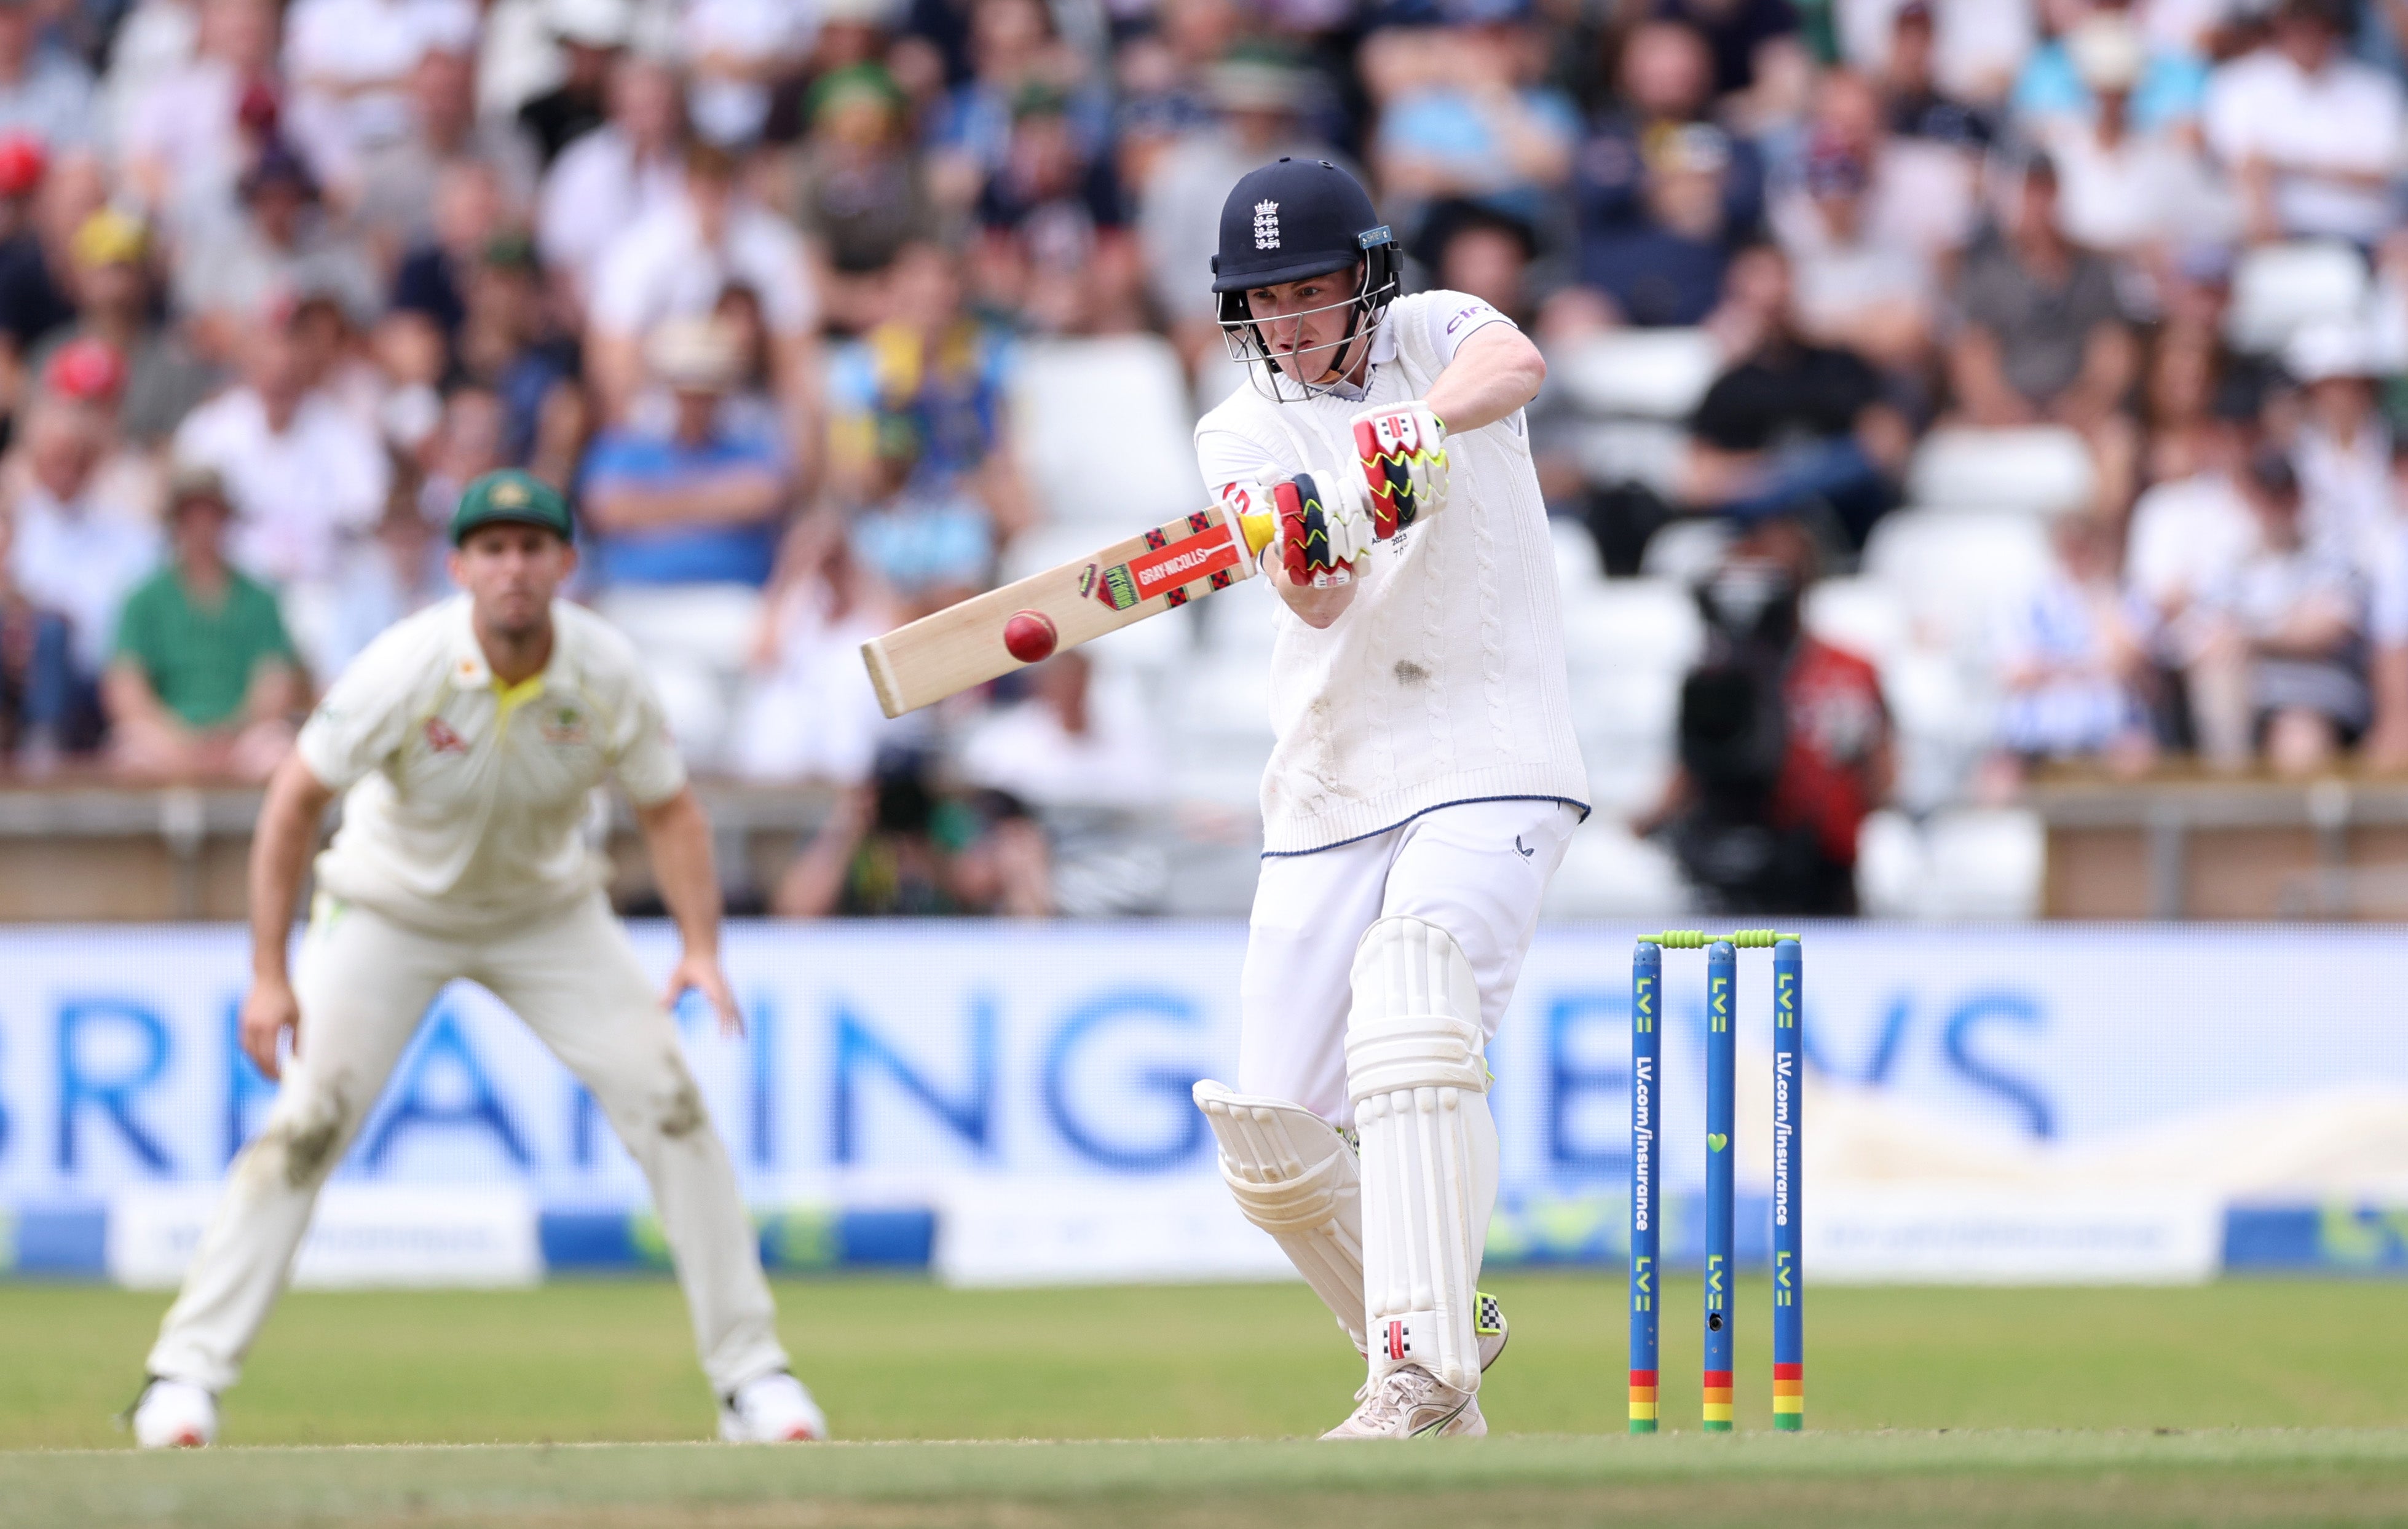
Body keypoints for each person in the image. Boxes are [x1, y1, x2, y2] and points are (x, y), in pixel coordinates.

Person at [127, 469, 825, 1450]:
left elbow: (670, 807)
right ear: (459, 566)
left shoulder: (606, 669)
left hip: (548, 911)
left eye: (533, 547)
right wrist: (269, 971)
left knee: (671, 1105)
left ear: (564, 564)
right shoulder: (405, 664)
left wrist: (701, 947)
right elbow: (293, 801)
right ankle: (182, 1378)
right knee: (308, 1124)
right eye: (491, 548)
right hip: (390, 907)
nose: (513, 568)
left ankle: (754, 1377)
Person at [1186, 159, 1588, 1437]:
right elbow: (1311, 601)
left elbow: (1514, 367)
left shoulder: (1433, 332)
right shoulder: (1237, 432)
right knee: (1268, 1140)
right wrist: (1318, 540)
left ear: (1364, 277)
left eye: (1311, 292)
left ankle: (1412, 1373)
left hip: (1488, 746)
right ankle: (1441, 1320)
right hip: (1327, 780)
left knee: (1411, 1003)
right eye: (1266, 303)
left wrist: (1400, 438)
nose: (1293, 325)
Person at [103, 467, 304, 782]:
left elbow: (275, 685)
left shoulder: (261, 599)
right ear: (176, 522)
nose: (202, 526)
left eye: (211, 514)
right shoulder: (143, 598)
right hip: (165, 740)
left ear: (226, 519)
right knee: (131, 756)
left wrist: (233, 734)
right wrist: (179, 740)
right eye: (191, 515)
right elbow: (127, 689)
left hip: (244, 742)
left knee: (278, 754)